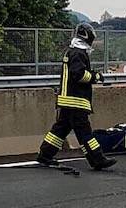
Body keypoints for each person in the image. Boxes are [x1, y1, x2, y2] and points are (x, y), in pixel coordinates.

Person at [35, 23, 116, 171]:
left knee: (60, 129)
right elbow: (78, 75)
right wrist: (95, 76)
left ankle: (45, 155)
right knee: (84, 132)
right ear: (87, 35)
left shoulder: (72, 51)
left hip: (67, 100)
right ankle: (97, 159)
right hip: (76, 100)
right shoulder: (79, 53)